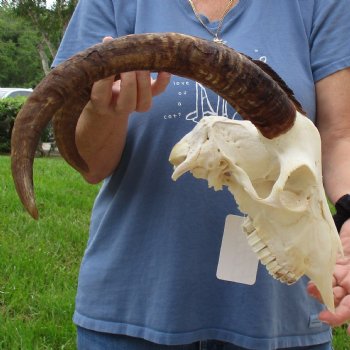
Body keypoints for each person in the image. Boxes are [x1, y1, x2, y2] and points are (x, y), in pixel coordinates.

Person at [52, 0, 350, 349]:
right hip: (135, 309)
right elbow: (90, 164)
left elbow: (339, 135)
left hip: (278, 318)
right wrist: (105, 112)